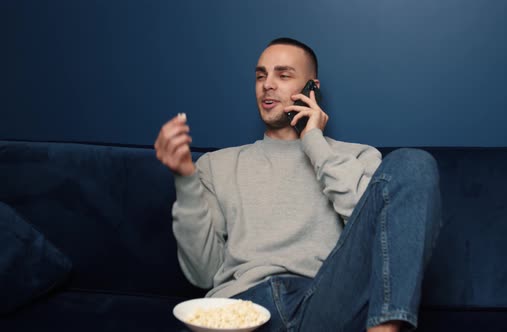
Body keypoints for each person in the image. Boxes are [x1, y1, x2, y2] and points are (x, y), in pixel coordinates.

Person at [155, 37, 442, 332]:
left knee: (414, 163)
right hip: (243, 309)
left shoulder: (356, 156)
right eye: (260, 75)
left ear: (311, 89)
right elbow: (203, 273)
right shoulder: (216, 165)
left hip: (324, 304)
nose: (267, 84)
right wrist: (186, 179)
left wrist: (313, 141)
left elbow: (376, 239)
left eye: (283, 75)